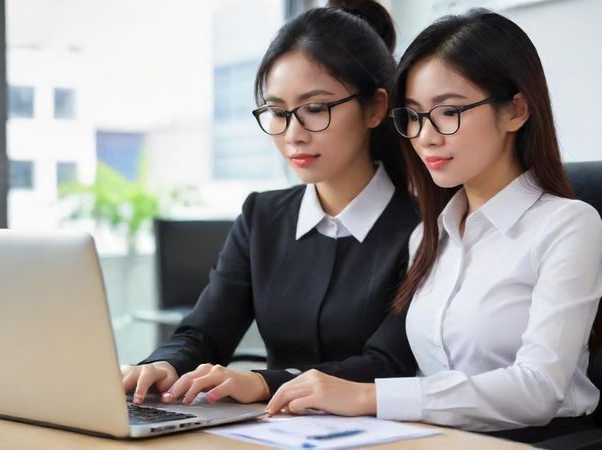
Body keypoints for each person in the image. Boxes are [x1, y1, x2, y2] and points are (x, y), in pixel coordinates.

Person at [267, 9, 602, 437]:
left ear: (515, 111)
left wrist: (367, 397)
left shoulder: (567, 226)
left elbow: (538, 390)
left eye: (448, 112)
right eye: (412, 116)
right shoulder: (429, 236)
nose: (426, 137)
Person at [122, 0, 419, 407]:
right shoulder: (262, 216)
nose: (293, 134)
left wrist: (266, 383)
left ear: (375, 107)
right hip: (270, 434)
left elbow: (388, 363)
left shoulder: (426, 226)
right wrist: (164, 366)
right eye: (277, 111)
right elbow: (204, 332)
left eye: (315, 109)